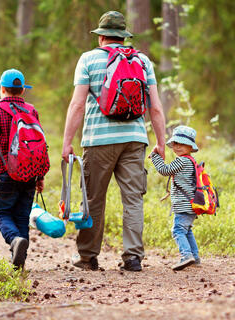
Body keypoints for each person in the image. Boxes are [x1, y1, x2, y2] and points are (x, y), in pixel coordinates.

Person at [61, 11, 167, 272]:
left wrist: (67, 142)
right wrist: (161, 143)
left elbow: (77, 105)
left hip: (98, 140)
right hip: (134, 139)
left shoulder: (88, 60)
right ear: (123, 37)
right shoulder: (142, 61)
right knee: (133, 199)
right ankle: (133, 257)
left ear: (101, 38)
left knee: (94, 199)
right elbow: (155, 108)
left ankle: (87, 257)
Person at [0, 69, 46, 270]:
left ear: (2, 89)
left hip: (6, 172)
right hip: (30, 172)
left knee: (1, 212)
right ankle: (19, 263)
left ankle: (14, 240)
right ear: (22, 91)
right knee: (21, 215)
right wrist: (40, 176)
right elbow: (39, 146)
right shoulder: (31, 110)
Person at [150, 125, 202, 271]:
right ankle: (195, 257)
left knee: (178, 230)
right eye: (175, 144)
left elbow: (164, 170)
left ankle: (186, 256)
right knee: (187, 230)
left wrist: (155, 156)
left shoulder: (182, 161)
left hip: (183, 205)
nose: (178, 147)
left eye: (182, 144)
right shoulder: (191, 161)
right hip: (191, 204)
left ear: (190, 146)